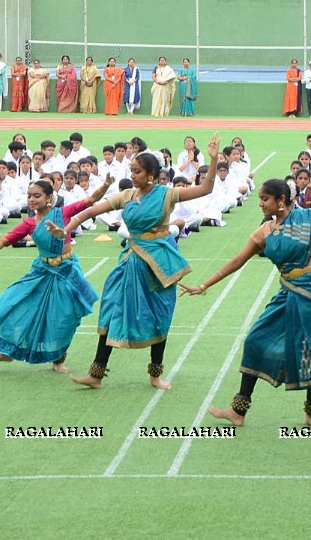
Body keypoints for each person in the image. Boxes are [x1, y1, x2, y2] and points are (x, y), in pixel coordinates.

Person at [183, 174, 311, 428]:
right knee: (255, 340)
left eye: (264, 199)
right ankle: (238, 410)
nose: (261, 204)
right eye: (260, 199)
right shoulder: (264, 231)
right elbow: (237, 261)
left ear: (281, 200)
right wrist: (203, 285)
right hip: (288, 293)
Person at [56, 134, 221, 390]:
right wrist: (68, 228)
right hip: (131, 260)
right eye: (132, 170)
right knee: (111, 309)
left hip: (158, 263)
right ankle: (96, 373)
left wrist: (211, 160)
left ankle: (155, 374)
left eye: (138, 171)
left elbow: (205, 189)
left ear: (151, 175)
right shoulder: (126, 195)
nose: (133, 175)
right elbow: (92, 210)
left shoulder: (167, 195)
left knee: (159, 314)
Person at [0, 178, 110, 370]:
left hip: (67, 271)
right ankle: (8, 351)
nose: (32, 200)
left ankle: (58, 359)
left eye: (37, 196)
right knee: (12, 305)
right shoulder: (29, 224)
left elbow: (91, 200)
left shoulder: (62, 213)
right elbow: (2, 242)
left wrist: (106, 185)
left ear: (49, 197)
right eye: (29, 196)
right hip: (42, 271)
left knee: (64, 318)